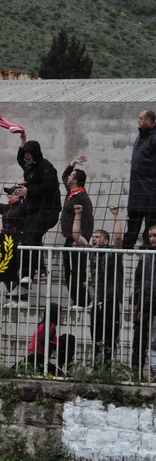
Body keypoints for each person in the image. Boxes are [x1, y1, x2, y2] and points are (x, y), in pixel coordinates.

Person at [73, 204, 124, 364]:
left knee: (110, 336)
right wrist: (78, 214)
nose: (93, 238)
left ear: (106, 241)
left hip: (112, 300)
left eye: (97, 236)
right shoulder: (92, 252)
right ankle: (97, 364)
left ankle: (107, 365)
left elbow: (118, 238)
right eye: (93, 236)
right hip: (97, 301)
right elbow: (76, 236)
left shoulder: (113, 252)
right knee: (95, 334)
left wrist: (116, 216)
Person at [16, 133, 61, 285]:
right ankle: (29, 274)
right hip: (34, 211)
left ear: (35, 153)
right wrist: (22, 141)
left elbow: (49, 186)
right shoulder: (30, 167)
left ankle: (30, 274)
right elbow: (19, 159)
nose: (26, 156)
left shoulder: (46, 167)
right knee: (29, 240)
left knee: (31, 238)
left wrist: (28, 191)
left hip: (48, 211)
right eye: (25, 153)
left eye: (28, 153)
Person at [60, 156, 93, 309]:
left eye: (71, 175)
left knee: (78, 271)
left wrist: (81, 239)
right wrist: (72, 162)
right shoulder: (71, 193)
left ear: (75, 180)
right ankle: (75, 298)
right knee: (68, 271)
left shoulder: (83, 197)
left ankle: (84, 300)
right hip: (68, 239)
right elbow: (63, 175)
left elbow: (88, 221)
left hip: (76, 241)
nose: (68, 176)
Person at [124, 110, 156, 248]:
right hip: (136, 193)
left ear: (149, 121)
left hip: (151, 194)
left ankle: (147, 264)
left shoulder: (154, 138)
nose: (138, 120)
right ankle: (120, 261)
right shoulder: (141, 136)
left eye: (141, 118)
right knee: (131, 231)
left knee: (150, 232)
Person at [131, 224, 156, 379]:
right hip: (145, 302)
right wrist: (137, 303)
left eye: (155, 235)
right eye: (151, 235)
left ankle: (153, 370)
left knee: (154, 340)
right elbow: (138, 279)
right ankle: (136, 371)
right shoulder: (146, 254)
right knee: (139, 339)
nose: (152, 239)